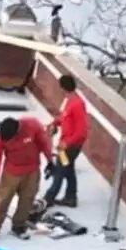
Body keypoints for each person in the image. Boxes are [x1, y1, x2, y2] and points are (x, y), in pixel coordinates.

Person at [0, 116, 53, 240]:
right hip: (11, 172)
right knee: (2, 201)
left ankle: (18, 226)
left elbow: (44, 143)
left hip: (32, 171)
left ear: (17, 131)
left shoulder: (32, 125)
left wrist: (50, 161)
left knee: (27, 200)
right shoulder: (1, 137)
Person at [44, 75, 88, 209]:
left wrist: (67, 143)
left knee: (60, 170)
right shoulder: (70, 101)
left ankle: (49, 198)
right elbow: (64, 117)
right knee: (68, 169)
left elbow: (81, 131)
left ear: (62, 87)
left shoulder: (77, 104)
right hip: (67, 144)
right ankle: (71, 197)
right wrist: (54, 123)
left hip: (70, 146)